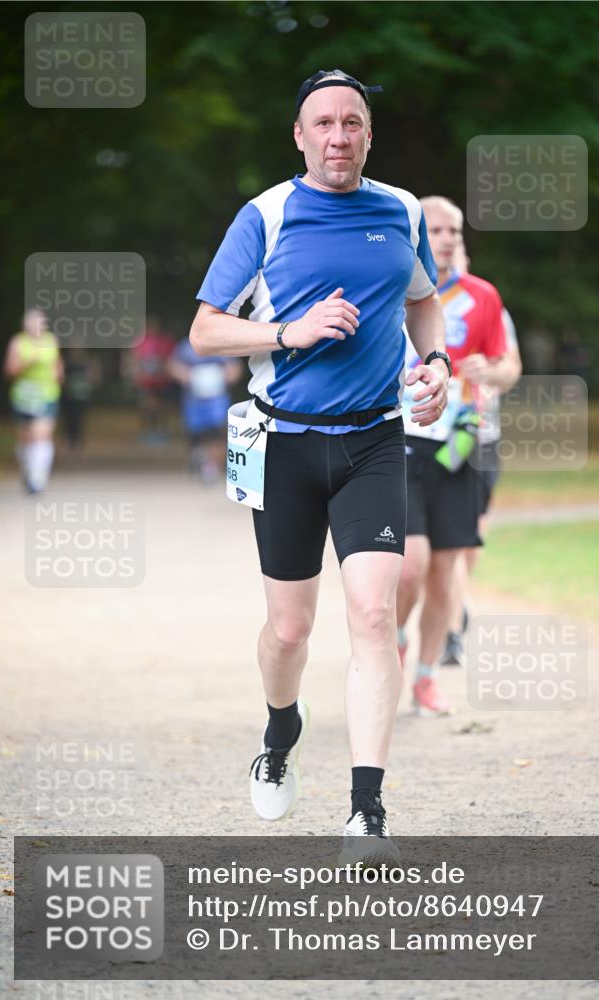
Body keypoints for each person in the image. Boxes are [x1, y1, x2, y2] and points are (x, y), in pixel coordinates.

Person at [190, 69, 449, 862]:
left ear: (368, 134)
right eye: (323, 124)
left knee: (374, 614)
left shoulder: (400, 210)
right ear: (300, 137)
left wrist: (435, 361)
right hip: (285, 445)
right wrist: (291, 332)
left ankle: (365, 810)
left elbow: (421, 298)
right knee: (288, 627)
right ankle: (279, 729)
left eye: (352, 123)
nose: (338, 136)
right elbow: (204, 332)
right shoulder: (266, 215)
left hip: (374, 439)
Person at [397, 197, 511, 715]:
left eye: (452, 230)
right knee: (410, 566)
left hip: (460, 445)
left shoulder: (480, 296)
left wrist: (493, 374)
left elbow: (505, 365)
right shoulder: (390, 285)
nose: (444, 238)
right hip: (398, 440)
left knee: (445, 570)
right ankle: (393, 636)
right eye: (434, 229)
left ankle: (425, 676)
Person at [441, 303, 523, 667]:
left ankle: (454, 601)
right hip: (431, 437)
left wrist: (489, 370)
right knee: (454, 540)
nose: (448, 246)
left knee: (472, 538)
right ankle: (452, 624)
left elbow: (512, 369)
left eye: (456, 241)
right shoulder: (411, 297)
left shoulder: (488, 307)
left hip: (479, 436)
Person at [3, 309, 63, 494]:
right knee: (25, 438)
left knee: (42, 433)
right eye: (31, 324)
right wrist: (29, 362)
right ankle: (29, 470)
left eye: (39, 323)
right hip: (23, 397)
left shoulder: (51, 341)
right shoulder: (18, 342)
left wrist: (59, 375)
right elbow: (9, 371)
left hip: (47, 395)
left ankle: (38, 478)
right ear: (25, 325)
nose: (35, 327)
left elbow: (57, 365)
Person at [167, 337, 242, 483]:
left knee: (216, 432)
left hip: (217, 398)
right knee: (195, 432)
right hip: (193, 398)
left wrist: (225, 376)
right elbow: (173, 365)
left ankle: (212, 466)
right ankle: (198, 457)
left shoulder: (222, 344)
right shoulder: (186, 346)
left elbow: (234, 368)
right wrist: (184, 375)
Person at [122, 316, 175, 443]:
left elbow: (170, 359)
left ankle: (161, 431)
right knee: (146, 406)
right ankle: (146, 431)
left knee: (161, 407)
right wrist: (135, 374)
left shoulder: (164, 340)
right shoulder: (139, 341)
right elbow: (133, 359)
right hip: (145, 381)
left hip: (161, 381)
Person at [61, 347, 101, 458]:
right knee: (68, 420)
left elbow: (94, 377)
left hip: (82, 396)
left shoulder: (88, 362)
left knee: (79, 421)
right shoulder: (67, 361)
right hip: (68, 396)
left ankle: (77, 445)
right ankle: (69, 443)